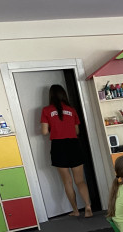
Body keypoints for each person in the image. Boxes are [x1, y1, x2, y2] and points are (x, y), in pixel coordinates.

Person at [40, 84, 92, 217]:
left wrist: (55, 128)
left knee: (67, 181)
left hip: (58, 146)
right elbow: (77, 131)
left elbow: (44, 132)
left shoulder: (46, 110)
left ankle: (75, 211)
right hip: (73, 144)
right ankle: (88, 206)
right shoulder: (71, 110)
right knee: (80, 180)